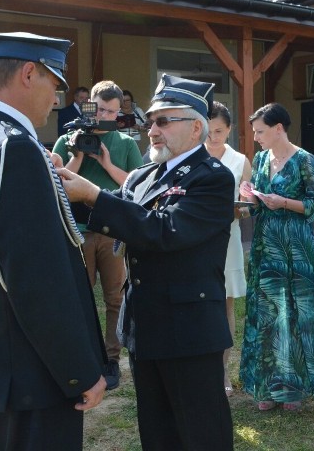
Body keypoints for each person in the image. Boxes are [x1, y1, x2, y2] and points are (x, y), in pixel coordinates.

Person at [0, 32, 106, 450]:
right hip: (31, 377)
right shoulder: (12, 149)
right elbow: (34, 279)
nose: (56, 100)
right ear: (29, 74)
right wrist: (78, 371)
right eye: (55, 85)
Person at [61, 74, 235, 449]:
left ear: (195, 127)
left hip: (189, 331)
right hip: (145, 326)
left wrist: (94, 194)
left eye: (162, 121)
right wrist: (58, 180)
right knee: (157, 433)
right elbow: (106, 212)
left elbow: (165, 230)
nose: (151, 130)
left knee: (201, 433)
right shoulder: (143, 176)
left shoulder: (213, 178)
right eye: (150, 121)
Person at [52, 80, 144, 390]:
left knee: (115, 297)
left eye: (112, 111)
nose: (104, 115)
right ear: (89, 106)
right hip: (75, 231)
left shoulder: (126, 142)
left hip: (112, 232)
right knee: (77, 296)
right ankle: (83, 357)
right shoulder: (67, 139)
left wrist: (105, 161)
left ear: (120, 113)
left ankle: (111, 359)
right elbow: (56, 183)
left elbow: (136, 186)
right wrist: (78, 154)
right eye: (100, 108)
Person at [238, 103, 314, 411]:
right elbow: (257, 207)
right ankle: (266, 388)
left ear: (279, 129)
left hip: (295, 250)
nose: (256, 138)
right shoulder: (261, 159)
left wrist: (284, 202)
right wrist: (252, 197)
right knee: (267, 316)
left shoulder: (305, 160)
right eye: (254, 132)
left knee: (293, 315)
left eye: (260, 131)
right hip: (265, 248)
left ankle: (294, 389)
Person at [204, 100, 250, 398]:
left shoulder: (240, 160)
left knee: (226, 305)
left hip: (228, 237)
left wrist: (240, 208)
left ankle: (223, 371)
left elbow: (248, 205)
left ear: (230, 129)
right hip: (196, 238)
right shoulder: (193, 155)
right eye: (208, 132)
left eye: (219, 131)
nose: (213, 137)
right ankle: (201, 370)